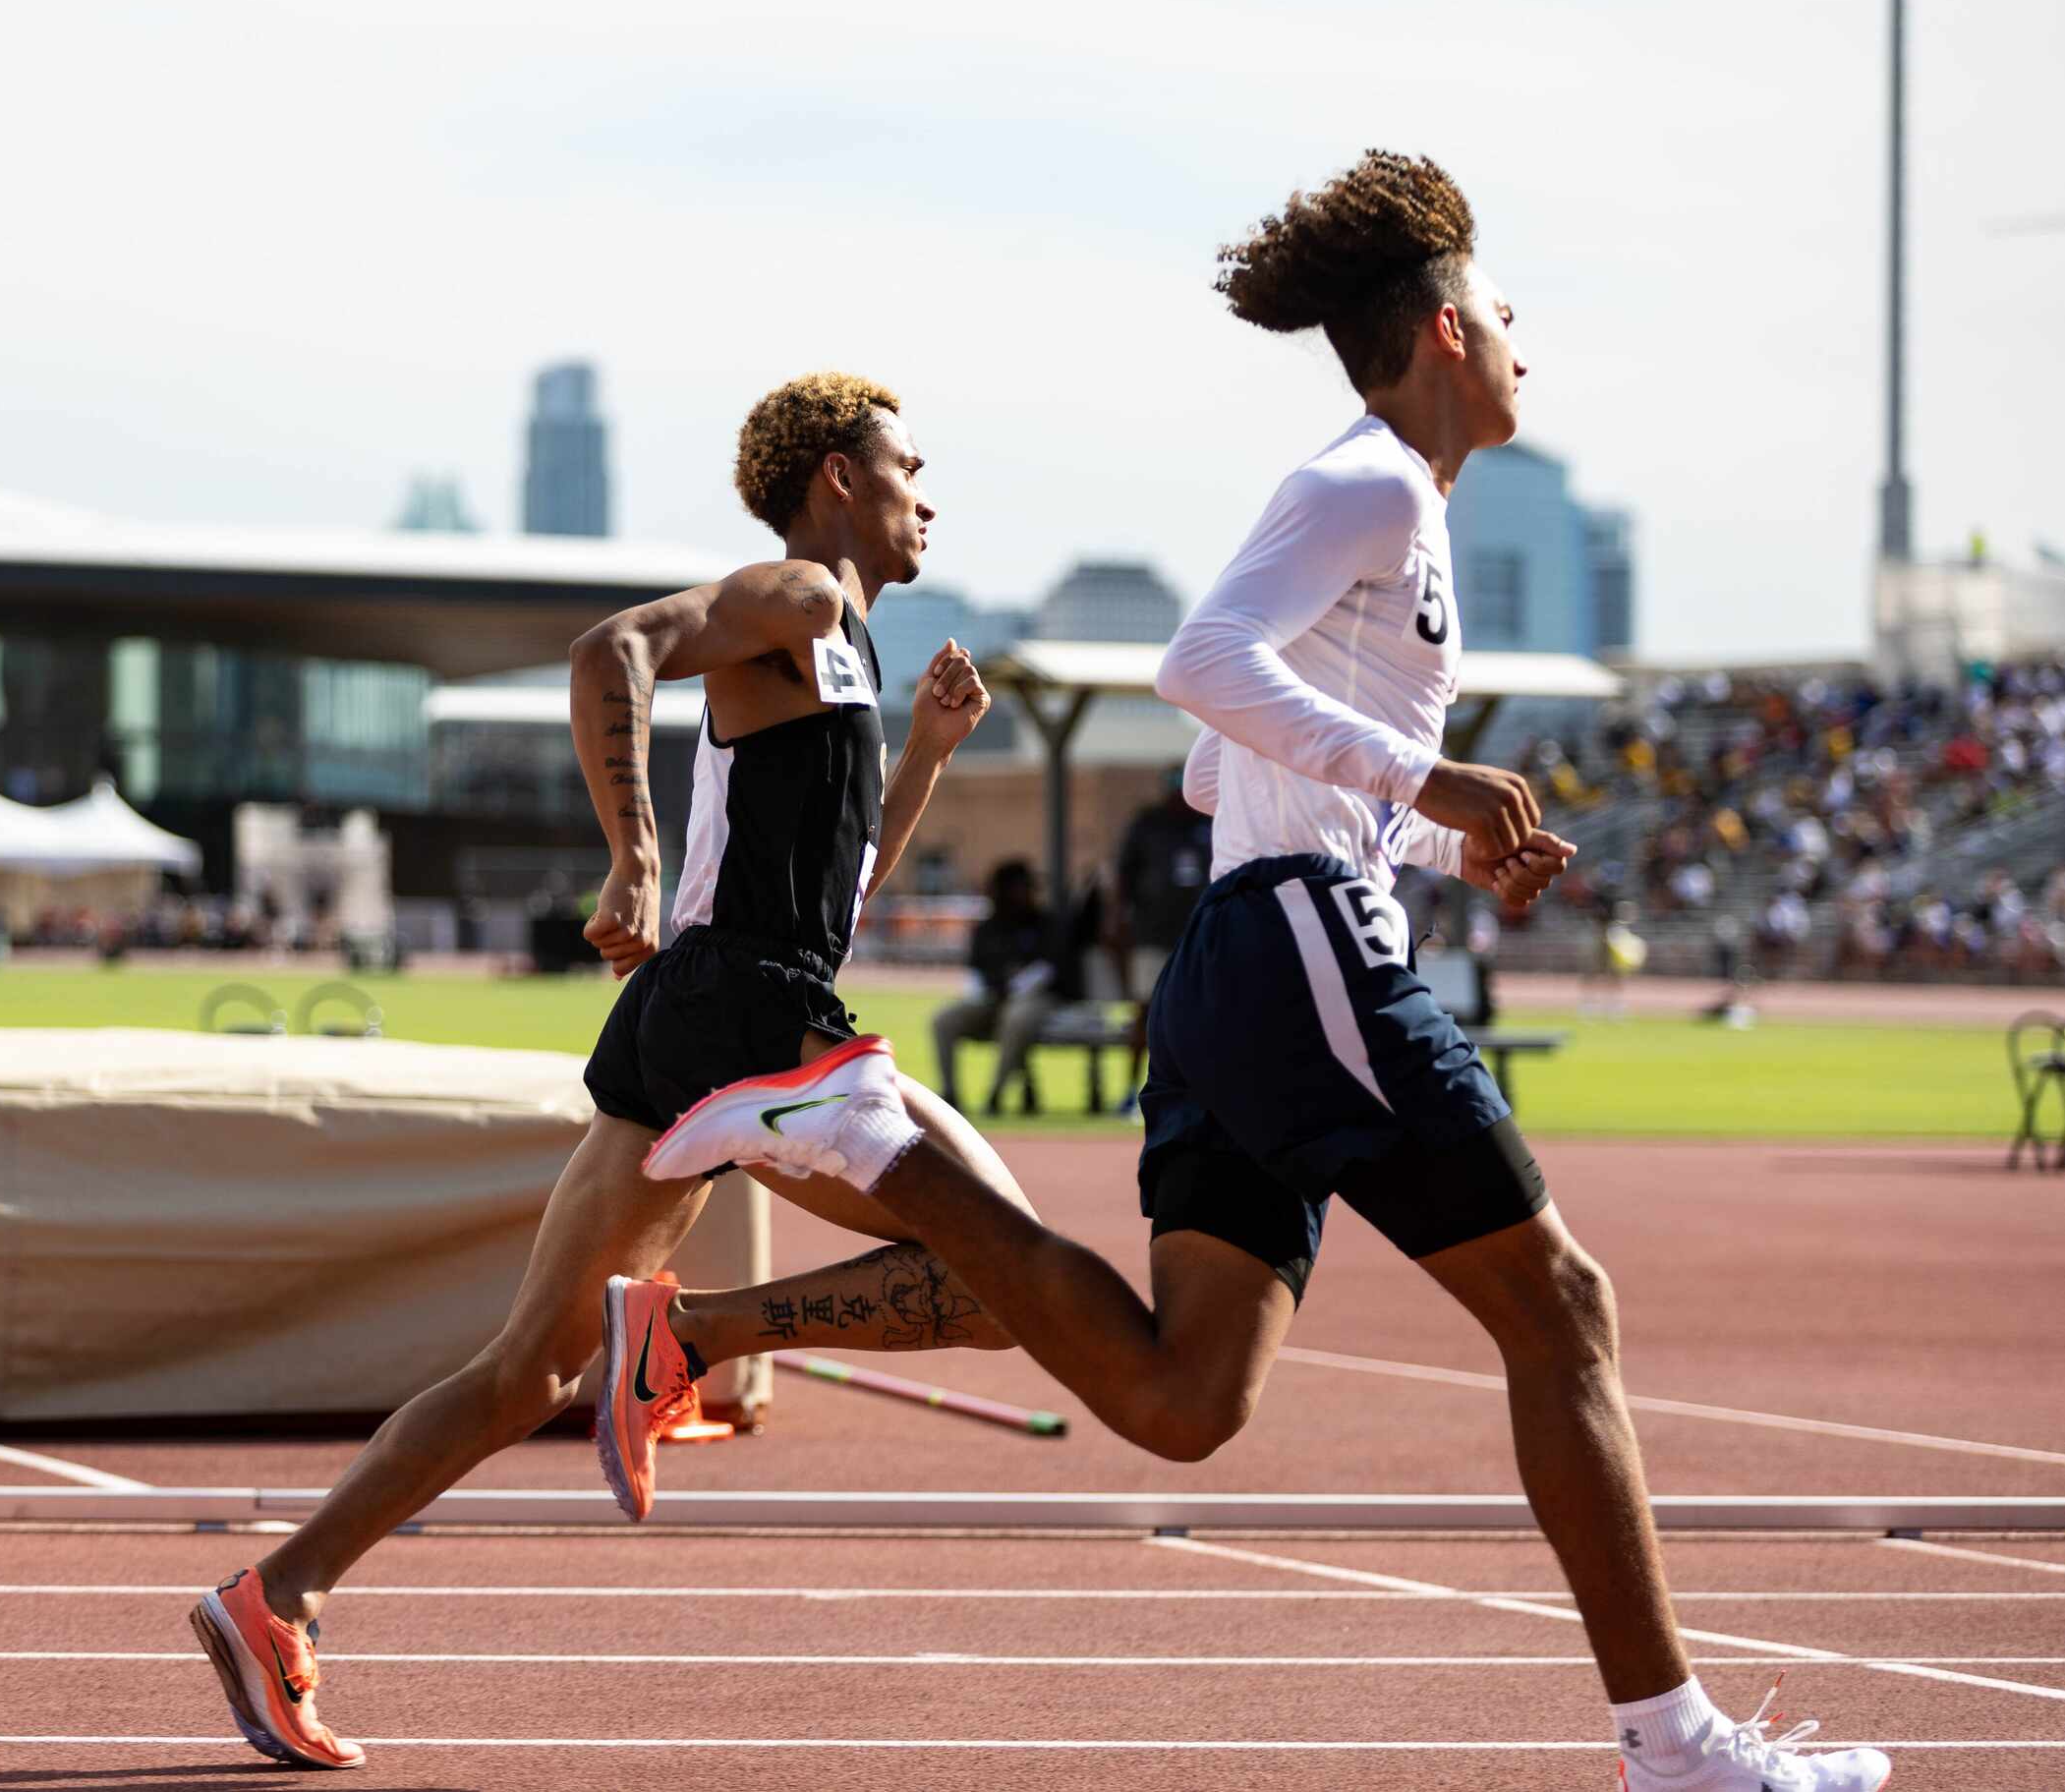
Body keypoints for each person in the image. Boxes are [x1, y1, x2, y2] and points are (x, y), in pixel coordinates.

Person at [647, 154, 1887, 1791]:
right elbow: (1195, 667)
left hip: (1260, 948)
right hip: (1300, 943)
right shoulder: (1365, 482)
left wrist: (1447, 843)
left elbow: (1222, 774)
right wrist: (1419, 783)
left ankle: (882, 1153)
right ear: (1444, 329)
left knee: (1182, 1398)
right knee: (1562, 1306)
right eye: (1509, 317)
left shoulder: (1401, 515)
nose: (1527, 346)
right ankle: (1680, 1750)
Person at [188, 372, 1040, 1770]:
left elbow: (832, 890)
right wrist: (630, 851)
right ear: (837, 476)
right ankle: (692, 1332)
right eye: (907, 463)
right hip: (750, 1016)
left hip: (706, 1014)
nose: (925, 491)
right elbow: (613, 650)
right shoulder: (799, 595)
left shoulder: (846, 654)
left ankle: (275, 1591)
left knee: (525, 1368)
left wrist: (929, 759)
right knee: (1013, 1277)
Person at [1105, 766, 1212, 1117]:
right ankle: (1129, 1091)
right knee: (1146, 1013)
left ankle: (1198, 1089)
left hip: (1198, 936)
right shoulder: (1149, 823)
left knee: (1200, 1013)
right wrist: (1118, 919)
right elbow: (1124, 876)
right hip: (1152, 934)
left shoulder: (1211, 822)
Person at [929, 858, 1068, 1115]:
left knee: (1015, 1018)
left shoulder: (1045, 925)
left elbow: (1048, 969)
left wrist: (1013, 990)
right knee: (944, 1020)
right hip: (991, 999)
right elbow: (975, 972)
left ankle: (995, 1095)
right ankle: (950, 1095)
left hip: (1038, 1000)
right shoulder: (987, 929)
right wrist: (987, 993)